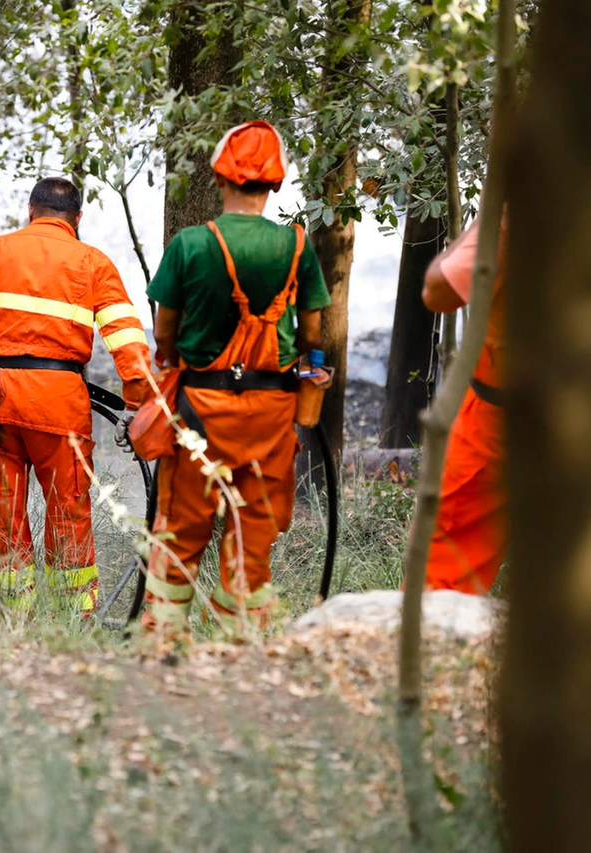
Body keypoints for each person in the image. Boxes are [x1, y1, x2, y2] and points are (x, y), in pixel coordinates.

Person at [142, 121, 330, 637]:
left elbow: (164, 328)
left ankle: (161, 640)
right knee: (254, 528)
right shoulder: (295, 246)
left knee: (182, 527)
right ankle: (239, 645)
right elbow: (314, 328)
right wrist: (309, 362)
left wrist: (167, 358)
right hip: (271, 413)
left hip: (202, 408)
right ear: (274, 184)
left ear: (221, 177)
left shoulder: (191, 244)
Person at [0, 177, 152, 615]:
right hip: (59, 408)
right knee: (68, 513)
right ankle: (76, 618)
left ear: (31, 211)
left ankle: (15, 616)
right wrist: (135, 404)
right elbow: (128, 341)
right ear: (78, 219)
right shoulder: (93, 262)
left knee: (3, 515)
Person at [420, 214, 508, 593]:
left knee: (444, 573)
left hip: (501, 419)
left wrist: (481, 225)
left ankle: (431, 649)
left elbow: (437, 291)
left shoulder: (526, 209)